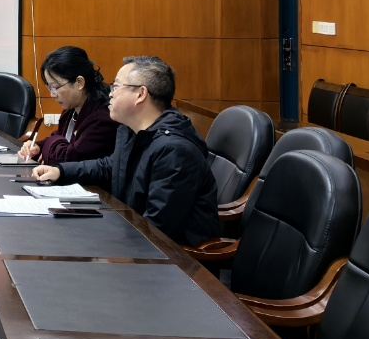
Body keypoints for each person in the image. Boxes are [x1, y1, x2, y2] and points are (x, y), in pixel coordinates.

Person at [32, 56, 219, 247]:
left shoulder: (174, 151)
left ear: (140, 94)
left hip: (172, 257)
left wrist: (101, 239)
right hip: (131, 233)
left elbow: (158, 230)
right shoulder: (132, 131)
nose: (110, 94)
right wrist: (60, 171)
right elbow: (109, 166)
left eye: (116, 86)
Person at [19, 46, 118, 167]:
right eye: (50, 88)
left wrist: (50, 147)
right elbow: (60, 138)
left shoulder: (103, 116)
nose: (52, 95)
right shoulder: (72, 108)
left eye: (56, 88)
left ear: (79, 82)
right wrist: (37, 147)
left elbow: (69, 159)